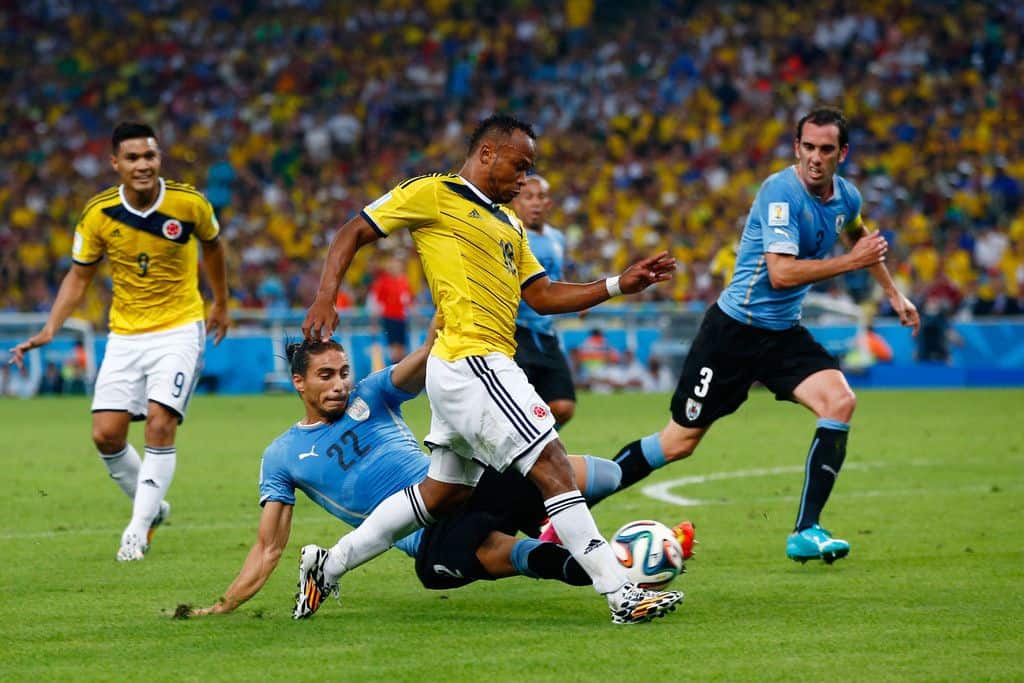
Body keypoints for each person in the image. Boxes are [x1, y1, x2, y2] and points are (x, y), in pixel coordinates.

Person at [300, 113, 681, 624]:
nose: (524, 179)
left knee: (442, 492)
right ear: (487, 154)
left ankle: (327, 566)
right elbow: (353, 230)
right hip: (471, 359)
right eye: (519, 166)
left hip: (469, 364)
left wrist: (617, 284)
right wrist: (326, 297)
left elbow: (542, 296)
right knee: (554, 466)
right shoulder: (433, 193)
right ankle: (620, 594)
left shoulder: (510, 224)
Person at [604, 107, 920, 564]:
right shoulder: (780, 192)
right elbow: (781, 273)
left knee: (840, 400)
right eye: (808, 147)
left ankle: (806, 531)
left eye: (826, 149)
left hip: (781, 335)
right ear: (797, 148)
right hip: (732, 334)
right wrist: (852, 262)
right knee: (678, 443)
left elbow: (859, 236)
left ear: (842, 154)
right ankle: (568, 512)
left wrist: (894, 294)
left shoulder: (846, 197)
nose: (815, 157)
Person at [184, 325, 648, 617]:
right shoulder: (282, 456)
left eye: (344, 371)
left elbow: (425, 357)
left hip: (467, 488)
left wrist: (449, 319)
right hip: (431, 537)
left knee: (595, 473)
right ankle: (628, 582)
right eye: (326, 376)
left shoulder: (373, 394)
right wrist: (223, 606)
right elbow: (268, 547)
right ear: (299, 382)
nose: (340, 384)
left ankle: (591, 548)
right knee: (528, 559)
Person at [8, 121, 229, 561]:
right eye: (132, 158)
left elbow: (214, 248)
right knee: (106, 435)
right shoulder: (98, 214)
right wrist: (52, 327)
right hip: (125, 334)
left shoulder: (189, 204)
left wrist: (221, 301)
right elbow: (79, 275)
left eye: (149, 156)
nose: (142, 165)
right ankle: (155, 507)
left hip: (180, 328)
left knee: (160, 423)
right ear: (116, 164)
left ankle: (138, 528)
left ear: (159, 158)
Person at [510, 175, 577, 428]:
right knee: (521, 408)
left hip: (546, 332)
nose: (536, 203)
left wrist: (577, 299)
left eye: (541, 197)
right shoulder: (510, 235)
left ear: (549, 203)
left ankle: (538, 451)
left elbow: (556, 278)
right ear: (516, 202)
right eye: (528, 197)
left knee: (563, 406)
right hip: (515, 332)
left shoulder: (557, 238)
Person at [368, 254, 414, 364]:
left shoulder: (404, 281)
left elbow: (409, 299)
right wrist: (374, 321)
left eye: (398, 265)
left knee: (402, 347)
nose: (396, 268)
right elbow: (377, 303)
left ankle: (402, 370)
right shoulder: (384, 282)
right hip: (390, 318)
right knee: (394, 348)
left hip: (402, 319)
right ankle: (396, 370)